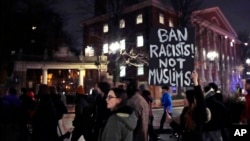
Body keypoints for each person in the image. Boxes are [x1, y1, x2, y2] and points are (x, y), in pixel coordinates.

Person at [166, 71, 207, 141]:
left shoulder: (198, 111)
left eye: (186, 98)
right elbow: (181, 130)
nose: (184, 100)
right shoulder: (185, 111)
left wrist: (196, 82)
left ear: (191, 100)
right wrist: (171, 122)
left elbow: (200, 100)